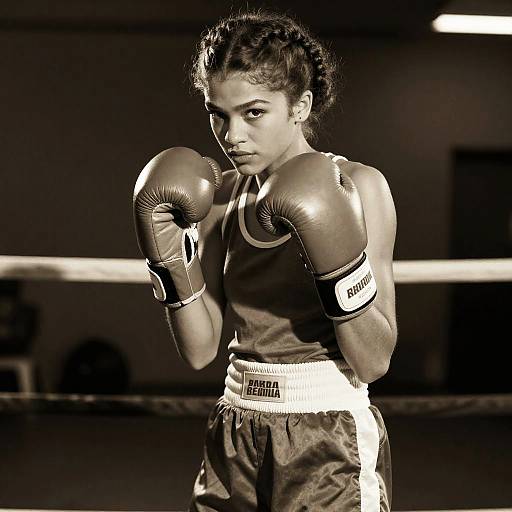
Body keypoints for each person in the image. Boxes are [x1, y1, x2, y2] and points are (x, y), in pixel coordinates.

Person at [133, 10, 397, 511]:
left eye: (253, 113)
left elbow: (374, 360)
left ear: (300, 106)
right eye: (218, 114)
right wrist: (168, 261)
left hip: (327, 430)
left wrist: (338, 261)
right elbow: (199, 350)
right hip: (236, 423)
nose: (232, 135)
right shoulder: (218, 198)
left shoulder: (358, 187)